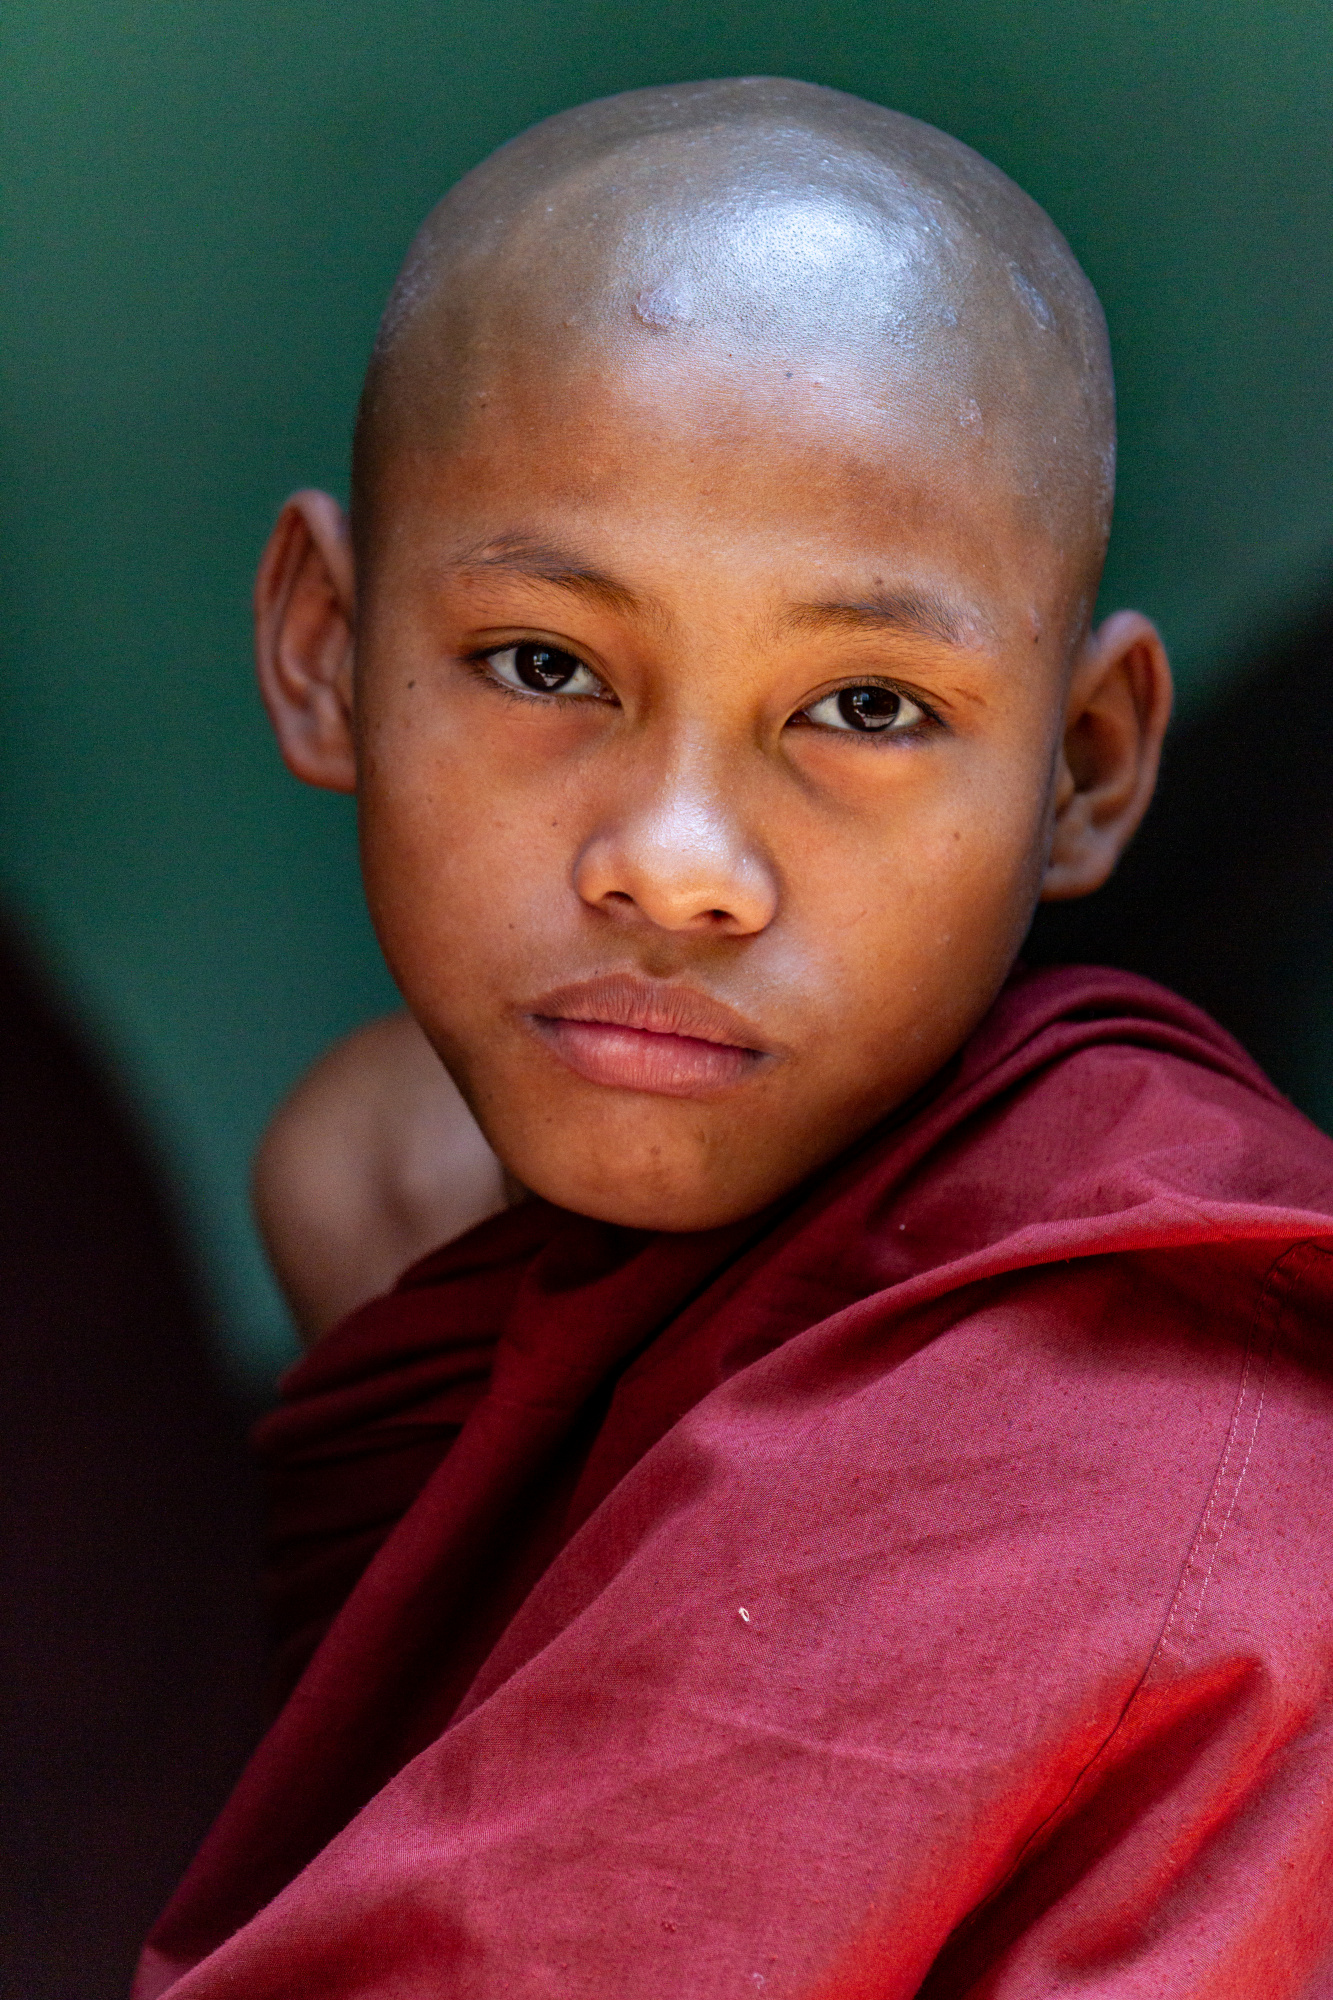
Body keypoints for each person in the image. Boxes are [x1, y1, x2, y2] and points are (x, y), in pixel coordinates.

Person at [137, 76, 1333, 1998]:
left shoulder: (1143, 1428)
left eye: (864, 708)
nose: (679, 868)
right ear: (322, 649)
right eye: (545, 666)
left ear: (1087, 766)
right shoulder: (394, 1201)